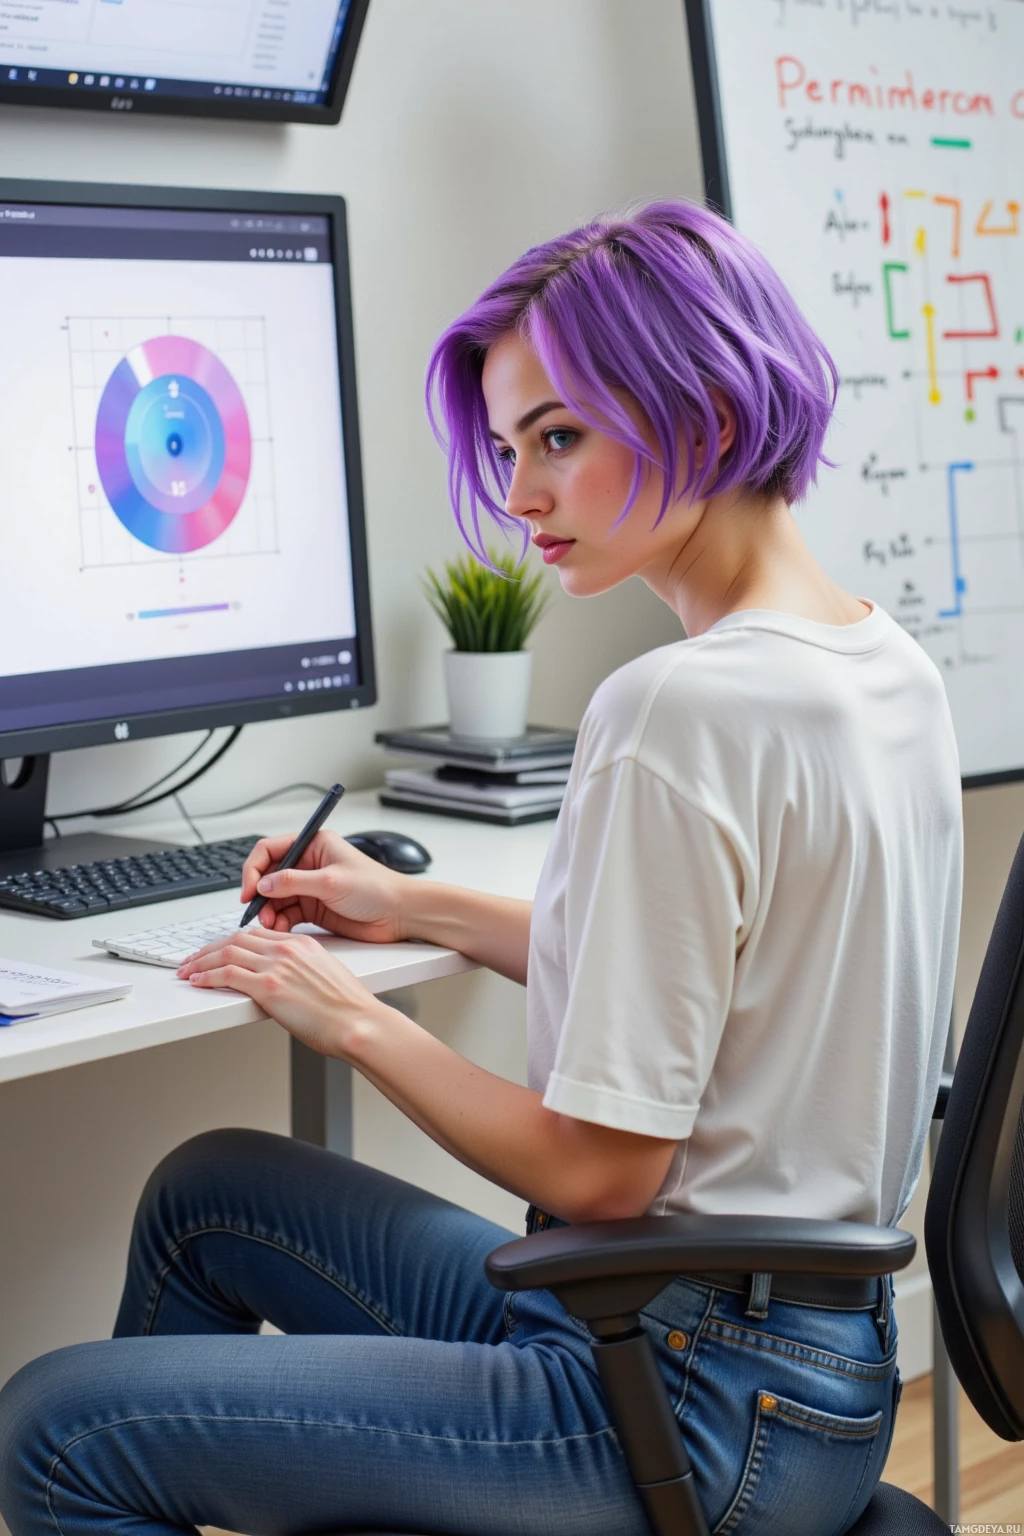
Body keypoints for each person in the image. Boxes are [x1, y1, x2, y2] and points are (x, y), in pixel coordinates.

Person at [0, 199, 962, 1536]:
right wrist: (402, 902)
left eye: (559, 438)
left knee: (56, 1429)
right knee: (211, 1192)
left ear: (715, 416)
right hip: (793, 1365)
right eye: (510, 448)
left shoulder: (673, 708)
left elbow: (602, 1174)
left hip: (680, 1398)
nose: (519, 497)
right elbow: (721, 971)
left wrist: (349, 1017)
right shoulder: (877, 662)